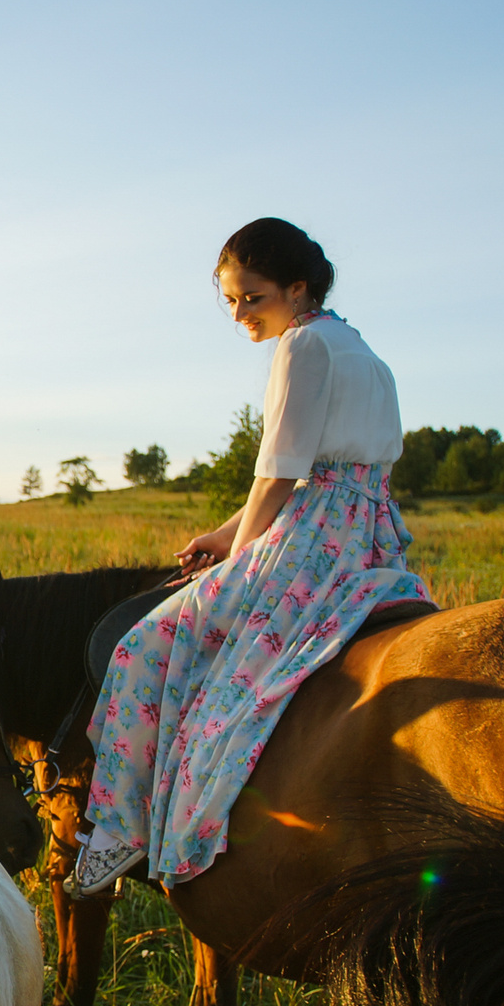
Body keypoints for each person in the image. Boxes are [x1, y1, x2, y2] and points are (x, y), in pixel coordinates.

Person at [73, 217, 431, 893]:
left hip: (310, 538)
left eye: (253, 297)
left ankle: (118, 830)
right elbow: (312, 473)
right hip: (364, 535)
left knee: (143, 648)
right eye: (232, 300)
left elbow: (277, 476)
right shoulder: (362, 351)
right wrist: (222, 531)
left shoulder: (301, 345)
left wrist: (237, 562)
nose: (240, 314)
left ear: (296, 289)